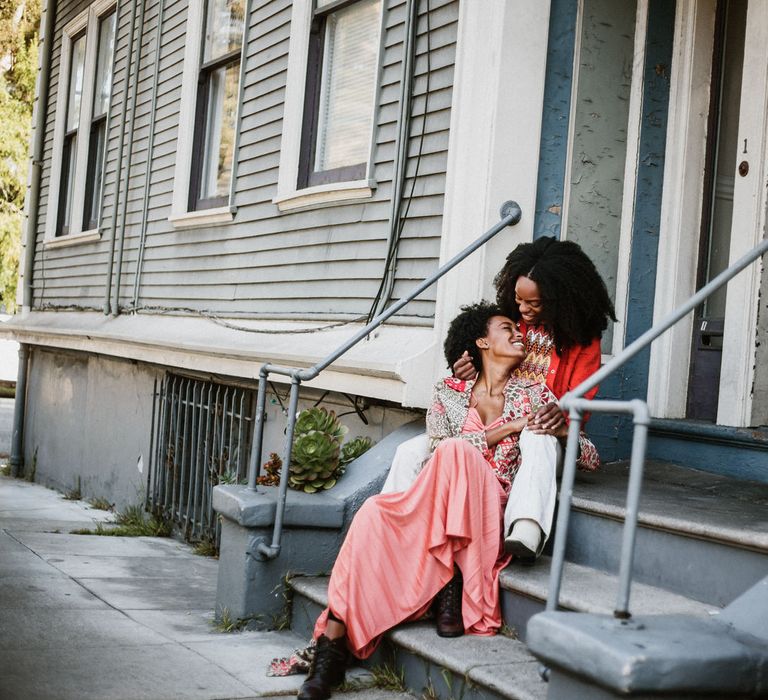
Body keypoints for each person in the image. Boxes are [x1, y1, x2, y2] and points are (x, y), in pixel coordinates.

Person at [297, 303, 598, 700]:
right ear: (481, 342)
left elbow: (591, 458)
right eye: (508, 328)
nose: (519, 334)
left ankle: (450, 580)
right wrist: (508, 427)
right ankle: (332, 648)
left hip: (489, 503)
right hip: (441, 498)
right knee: (372, 511)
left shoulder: (534, 393)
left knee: (457, 454)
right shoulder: (448, 392)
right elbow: (438, 447)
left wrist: (564, 431)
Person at [381, 236, 615, 555]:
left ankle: (526, 527)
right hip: (487, 431)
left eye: (534, 303)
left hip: (538, 436)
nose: (523, 310)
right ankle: (388, 527)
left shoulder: (582, 343)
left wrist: (560, 418)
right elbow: (480, 371)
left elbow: (578, 415)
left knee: (537, 435)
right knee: (410, 450)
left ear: (561, 299)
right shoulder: (507, 324)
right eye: (518, 300)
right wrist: (466, 368)